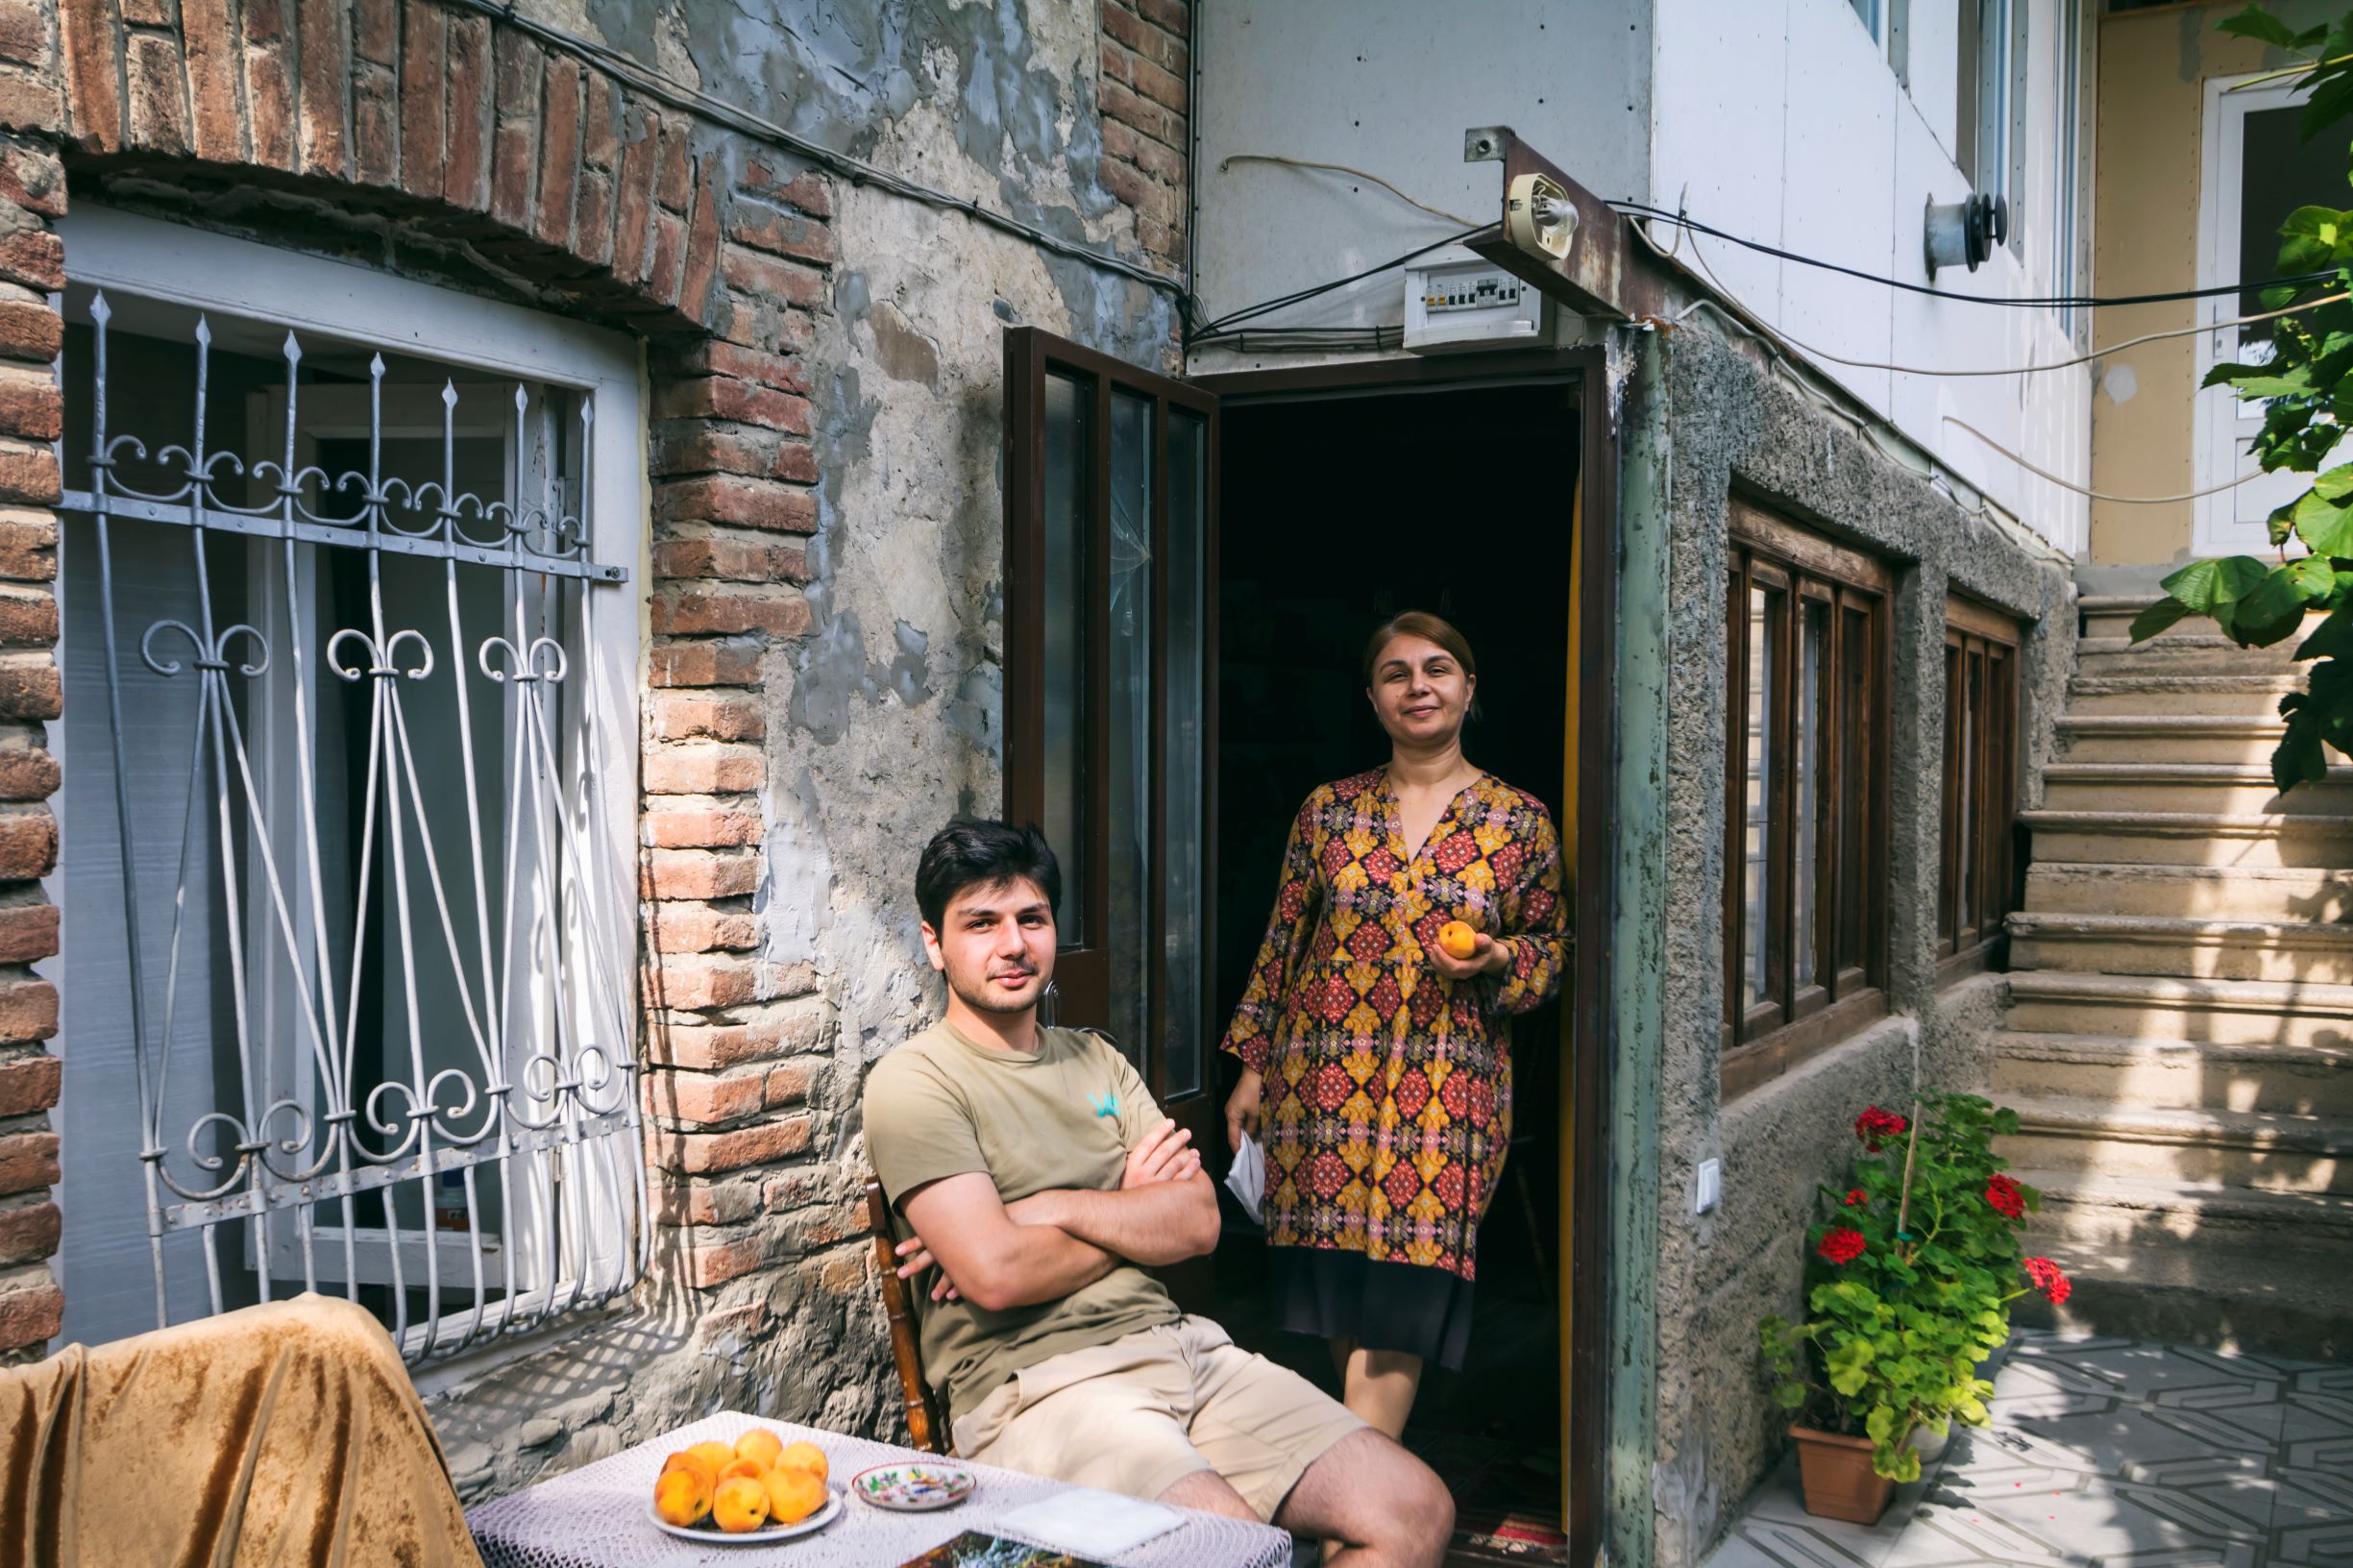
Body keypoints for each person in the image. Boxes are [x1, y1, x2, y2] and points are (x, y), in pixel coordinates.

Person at [867, 819, 1455, 1568]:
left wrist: (1048, 1207)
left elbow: (1199, 1221)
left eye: (1031, 919)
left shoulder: (1097, 1059)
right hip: (1042, 1388)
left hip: (1184, 1349)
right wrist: (1129, 1204)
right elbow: (997, 1273)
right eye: (980, 923)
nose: (1012, 945)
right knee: (1238, 1548)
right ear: (933, 943)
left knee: (1414, 1509)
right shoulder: (915, 1082)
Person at [1220, 611, 1569, 1440]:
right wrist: (1252, 1068)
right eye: (1396, 673)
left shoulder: (1517, 820)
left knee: (1403, 1307)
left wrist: (1493, 959)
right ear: (1374, 700)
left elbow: (1554, 952)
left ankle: (1360, 1511)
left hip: (1445, 1096)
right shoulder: (1328, 813)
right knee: (1340, 1294)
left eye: (1438, 668)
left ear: (1468, 689)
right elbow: (1281, 947)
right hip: (1320, 1090)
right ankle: (1365, 1502)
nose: (1418, 685)